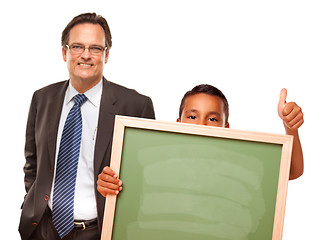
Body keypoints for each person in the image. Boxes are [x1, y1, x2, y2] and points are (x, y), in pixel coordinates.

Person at [19, 12, 155, 240]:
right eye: (77, 47)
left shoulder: (136, 105)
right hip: (42, 229)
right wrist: (31, 204)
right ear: (64, 52)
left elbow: (146, 179)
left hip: (99, 231)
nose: (85, 55)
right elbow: (32, 162)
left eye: (95, 48)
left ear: (106, 55)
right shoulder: (42, 98)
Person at [97, 84, 303, 199]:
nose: (202, 125)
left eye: (213, 119)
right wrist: (108, 185)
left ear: (226, 127)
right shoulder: (154, 165)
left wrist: (290, 128)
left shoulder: (240, 165)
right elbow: (121, 189)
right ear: (178, 123)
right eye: (192, 116)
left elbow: (292, 171)